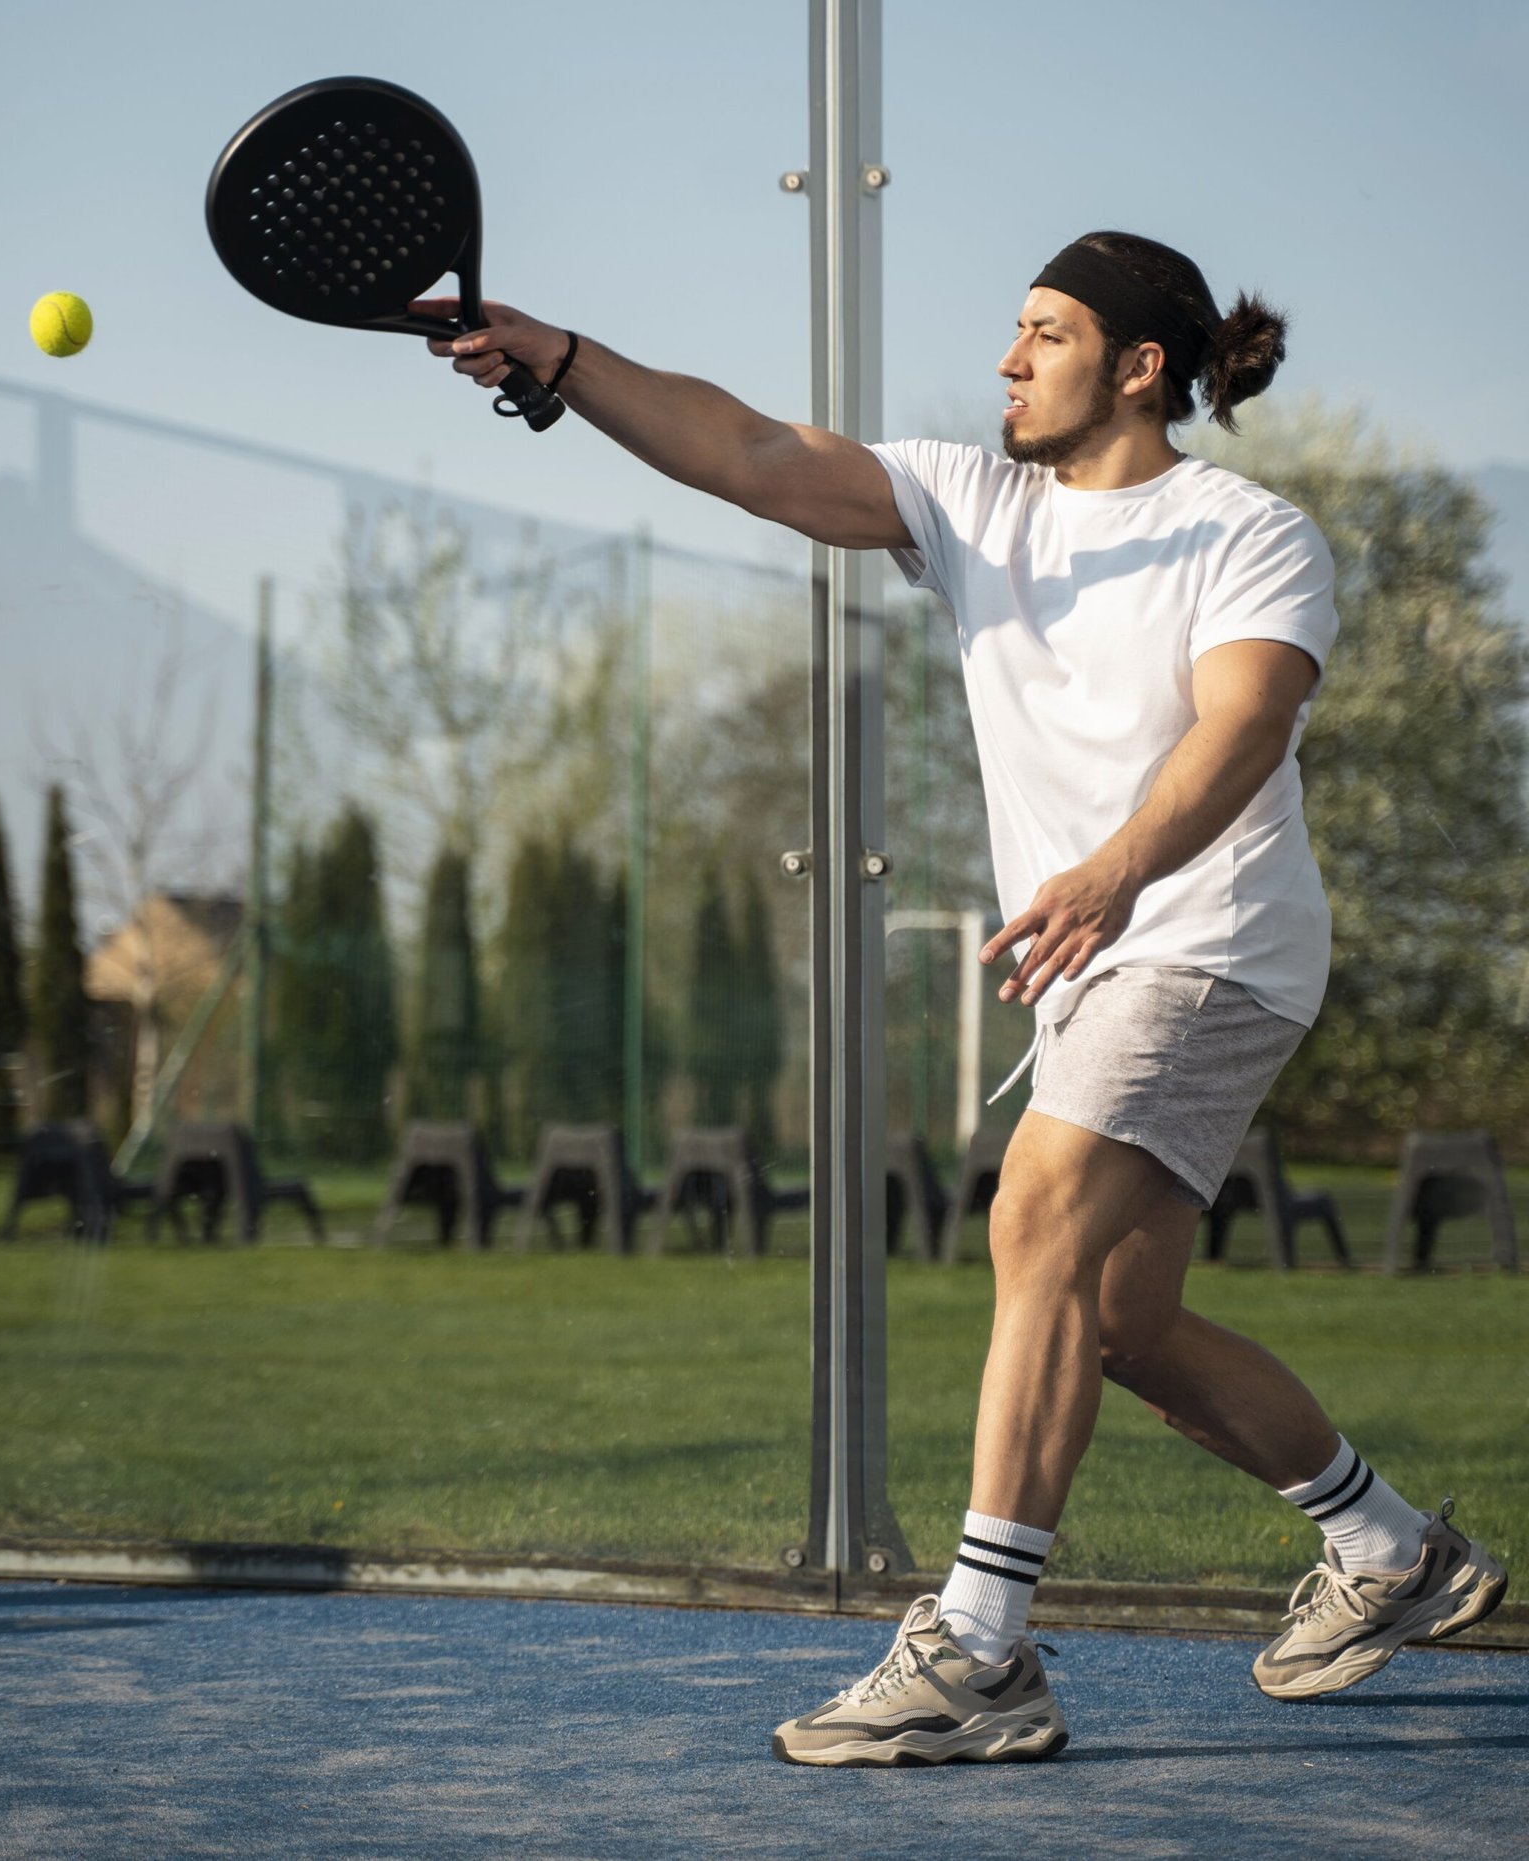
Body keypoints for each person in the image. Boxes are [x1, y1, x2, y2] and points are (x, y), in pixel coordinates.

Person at [421, 229, 1507, 1767]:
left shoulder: (1247, 530)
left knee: (1033, 1218)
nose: (1009, 357)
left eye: (1046, 332)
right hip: (1098, 957)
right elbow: (744, 449)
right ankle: (1396, 1551)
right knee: (1119, 1319)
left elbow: (1246, 724)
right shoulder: (976, 501)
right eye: (1015, 329)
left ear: (1140, 367)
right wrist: (563, 358)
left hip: (1209, 939)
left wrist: (1119, 867)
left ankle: (983, 1653)